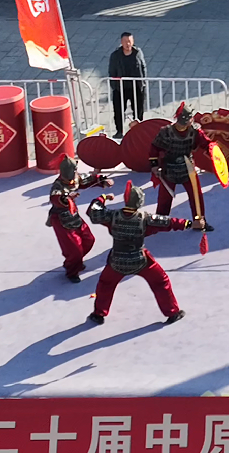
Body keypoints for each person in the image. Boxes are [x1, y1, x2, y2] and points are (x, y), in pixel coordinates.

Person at [84, 183, 202, 325]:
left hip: (117, 260)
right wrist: (189, 224)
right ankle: (173, 312)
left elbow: (94, 211)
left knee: (105, 284)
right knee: (160, 281)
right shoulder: (146, 219)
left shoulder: (112, 216)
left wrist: (103, 197)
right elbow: (168, 222)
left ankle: (99, 314)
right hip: (140, 260)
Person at [147, 105, 212, 228]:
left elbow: (206, 143)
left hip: (188, 167)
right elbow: (154, 148)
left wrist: (212, 150)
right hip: (169, 167)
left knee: (196, 196)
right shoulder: (165, 132)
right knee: (164, 198)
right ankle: (161, 221)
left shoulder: (195, 131)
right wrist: (154, 165)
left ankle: (199, 221)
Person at [48, 157, 109, 282]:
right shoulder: (57, 185)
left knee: (89, 240)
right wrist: (67, 197)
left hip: (74, 215)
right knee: (74, 250)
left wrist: (102, 180)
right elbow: (55, 197)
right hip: (61, 220)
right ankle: (72, 271)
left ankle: (75, 261)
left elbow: (88, 179)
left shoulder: (75, 178)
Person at [106, 33, 148, 136]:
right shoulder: (115, 55)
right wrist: (114, 85)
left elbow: (143, 68)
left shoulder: (138, 53)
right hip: (120, 88)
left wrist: (143, 83)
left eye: (129, 41)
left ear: (133, 42)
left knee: (138, 110)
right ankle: (119, 131)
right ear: (121, 42)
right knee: (119, 111)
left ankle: (138, 130)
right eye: (125, 42)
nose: (127, 44)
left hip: (136, 87)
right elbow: (111, 71)